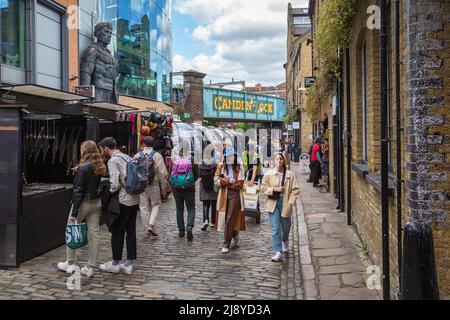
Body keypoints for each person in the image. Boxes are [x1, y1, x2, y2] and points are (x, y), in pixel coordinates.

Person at [57, 141, 106, 278]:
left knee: (71, 229)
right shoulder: (100, 165)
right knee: (94, 234)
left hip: (83, 203)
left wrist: (74, 212)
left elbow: (78, 190)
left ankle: (70, 262)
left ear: (84, 151)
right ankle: (90, 267)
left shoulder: (83, 168)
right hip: (96, 203)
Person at [98, 137, 140, 275]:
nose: (101, 152)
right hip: (134, 199)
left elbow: (115, 184)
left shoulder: (113, 160)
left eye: (101, 150)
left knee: (117, 231)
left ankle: (115, 263)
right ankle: (129, 263)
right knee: (131, 230)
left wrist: (107, 194)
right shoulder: (127, 157)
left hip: (122, 200)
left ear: (105, 148)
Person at [261, 153, 300, 262]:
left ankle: (285, 240)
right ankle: (278, 251)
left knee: (286, 227)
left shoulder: (290, 174)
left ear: (284, 161)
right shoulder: (269, 174)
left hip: (285, 202)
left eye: (281, 159)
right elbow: (263, 188)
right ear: (274, 161)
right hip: (273, 203)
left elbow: (295, 190)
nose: (279, 161)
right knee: (275, 228)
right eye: (277, 159)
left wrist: (290, 203)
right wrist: (274, 189)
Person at [134, 136, 168, 237]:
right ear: (153, 145)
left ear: (143, 144)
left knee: (143, 207)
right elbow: (163, 172)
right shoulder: (157, 156)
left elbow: (133, 171)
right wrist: (164, 186)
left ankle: (146, 228)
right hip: (154, 183)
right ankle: (151, 224)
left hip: (140, 185)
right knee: (156, 204)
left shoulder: (137, 155)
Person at [214, 147, 246, 254]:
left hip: (235, 194)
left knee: (230, 217)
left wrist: (229, 183)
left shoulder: (239, 167)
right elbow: (216, 181)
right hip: (223, 194)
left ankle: (226, 243)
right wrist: (227, 181)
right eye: (229, 156)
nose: (231, 158)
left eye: (233, 156)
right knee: (227, 217)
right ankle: (234, 233)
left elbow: (240, 184)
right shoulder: (221, 166)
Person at [171, 142, 199, 241]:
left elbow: (170, 173)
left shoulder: (174, 159)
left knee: (179, 209)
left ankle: (181, 231)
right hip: (189, 188)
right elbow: (196, 175)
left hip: (176, 188)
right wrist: (190, 182)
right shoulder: (192, 159)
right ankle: (190, 227)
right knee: (191, 208)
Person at [199, 140, 218, 231]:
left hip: (204, 183)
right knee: (214, 203)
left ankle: (206, 220)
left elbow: (199, 172)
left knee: (205, 202)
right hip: (213, 182)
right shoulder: (215, 160)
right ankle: (213, 222)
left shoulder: (201, 160)